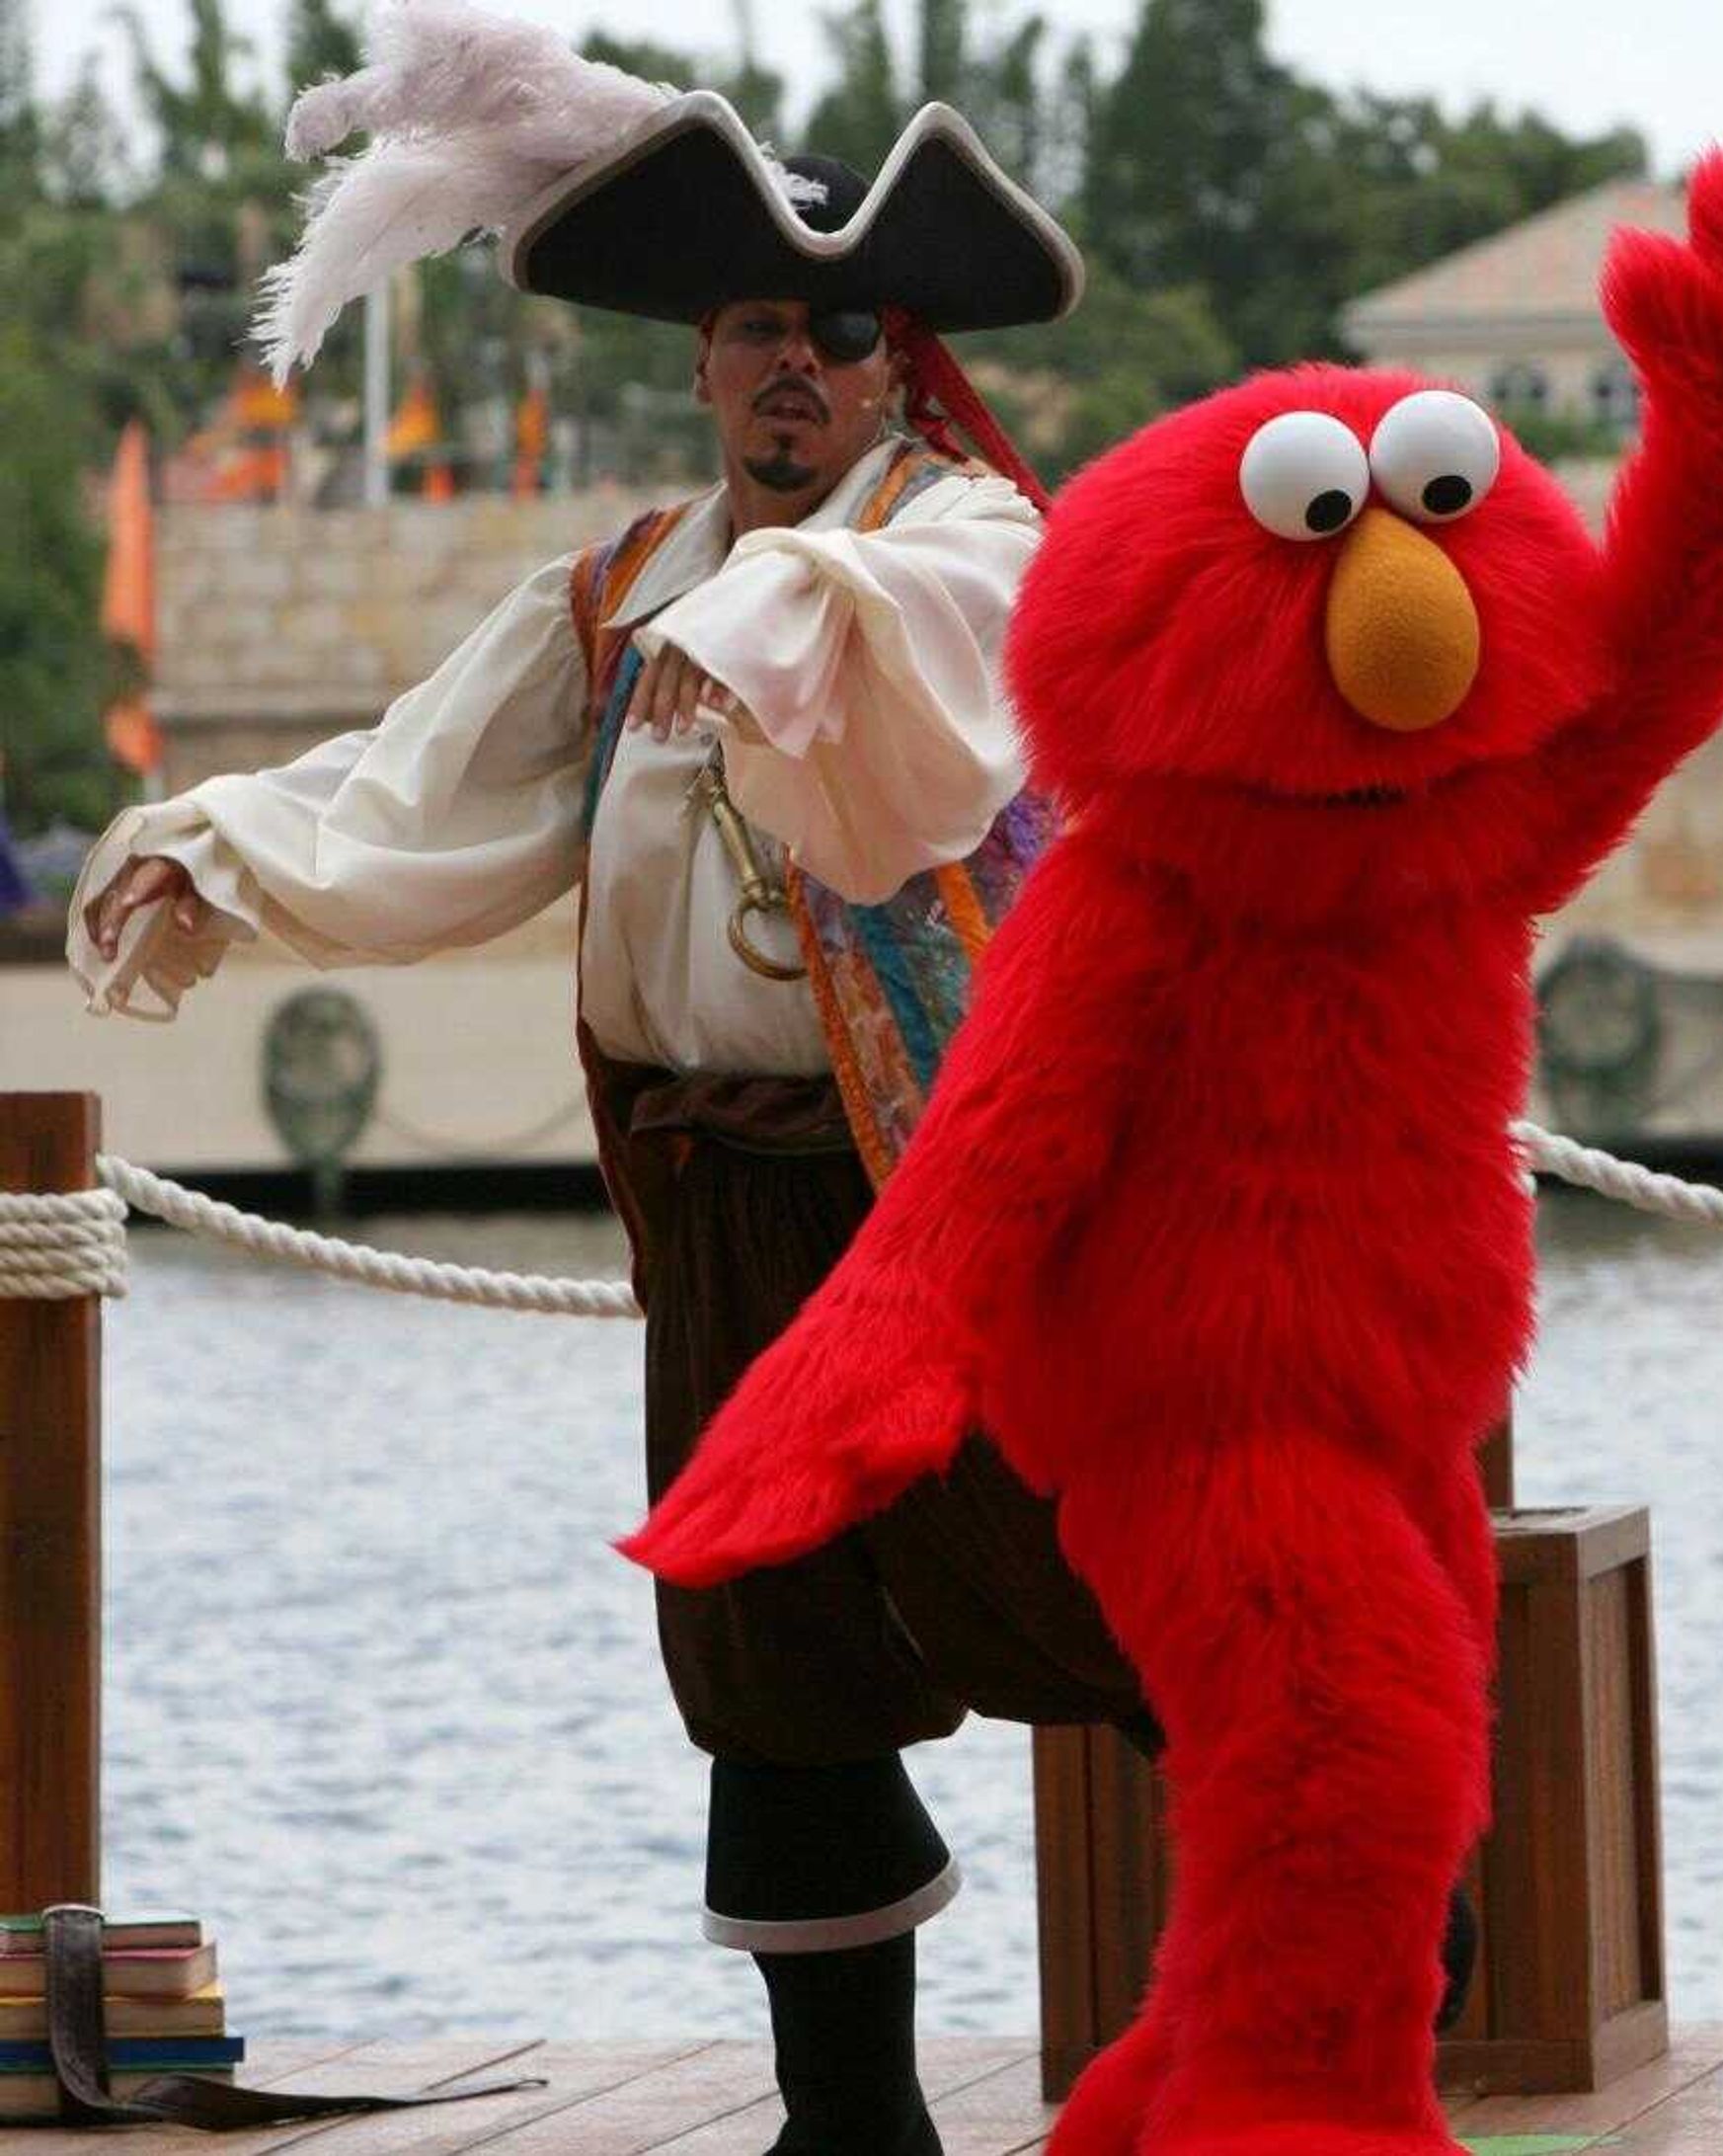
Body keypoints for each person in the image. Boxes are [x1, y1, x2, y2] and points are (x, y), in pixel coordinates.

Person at [70, 27, 1151, 2154]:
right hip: (723, 1207)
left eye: (839, 331)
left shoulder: (966, 546)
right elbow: (420, 786)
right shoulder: (618, 593)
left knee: (1110, 1575)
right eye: (756, 326)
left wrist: (777, 597)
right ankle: (849, 2127)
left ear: (892, 366)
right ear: (699, 360)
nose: (793, 367)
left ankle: (1385, 1949)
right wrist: (219, 841)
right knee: (763, 1653)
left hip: (942, 1197)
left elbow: (918, 676)